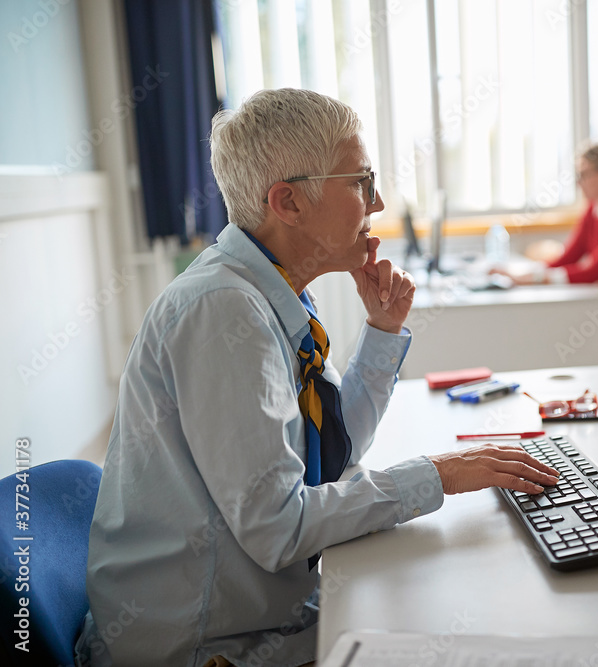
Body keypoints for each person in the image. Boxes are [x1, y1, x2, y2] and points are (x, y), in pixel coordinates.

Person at [74, 88, 558, 667]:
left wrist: (381, 331)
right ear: (288, 202)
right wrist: (439, 475)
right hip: (204, 646)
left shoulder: (273, 291)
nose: (376, 203)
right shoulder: (222, 309)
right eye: (360, 182)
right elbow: (278, 527)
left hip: (258, 616)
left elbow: (335, 446)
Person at [495, 140, 598, 359]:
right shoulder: (596, 208)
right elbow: (569, 257)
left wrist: (538, 278)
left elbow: (596, 271)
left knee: (561, 339)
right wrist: (527, 275)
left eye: (584, 175)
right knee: (555, 328)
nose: (580, 183)